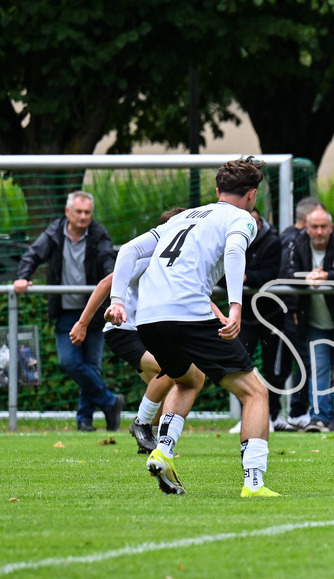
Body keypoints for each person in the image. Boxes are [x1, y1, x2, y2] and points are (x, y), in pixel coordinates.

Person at [107, 157, 280, 497]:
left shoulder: (182, 217)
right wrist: (235, 307)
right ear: (252, 195)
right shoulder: (242, 218)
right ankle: (254, 483)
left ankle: (163, 451)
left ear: (217, 191)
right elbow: (234, 251)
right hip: (187, 311)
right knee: (255, 392)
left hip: (149, 318)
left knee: (190, 378)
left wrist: (117, 300)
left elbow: (128, 250)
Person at [69, 208, 204, 454]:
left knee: (169, 384)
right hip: (124, 331)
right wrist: (83, 323)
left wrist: (223, 317)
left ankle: (147, 438)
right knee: (170, 370)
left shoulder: (176, 262)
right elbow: (104, 284)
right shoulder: (146, 258)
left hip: (148, 330)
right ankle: (141, 425)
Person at [14, 191, 123, 432]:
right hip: (64, 311)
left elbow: (109, 261)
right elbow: (33, 255)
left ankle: (85, 419)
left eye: (87, 213)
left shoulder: (98, 234)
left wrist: (111, 282)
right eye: (79, 212)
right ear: (68, 213)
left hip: (93, 310)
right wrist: (23, 277)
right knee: (69, 361)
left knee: (92, 365)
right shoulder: (54, 233)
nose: (84, 217)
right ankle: (110, 402)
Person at [281, 206, 334, 432]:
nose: (319, 232)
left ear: (331, 227)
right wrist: (305, 278)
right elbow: (286, 273)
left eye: (323, 227)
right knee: (318, 369)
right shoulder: (295, 243)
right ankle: (319, 419)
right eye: (314, 227)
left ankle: (332, 419)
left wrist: (327, 276)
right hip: (313, 321)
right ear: (306, 228)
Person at [238, 208, 289, 431]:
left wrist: (246, 276)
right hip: (243, 317)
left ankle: (274, 415)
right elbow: (220, 275)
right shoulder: (233, 240)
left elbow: (272, 275)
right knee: (241, 366)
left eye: (253, 223)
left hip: (270, 317)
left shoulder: (273, 243)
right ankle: (246, 416)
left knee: (273, 368)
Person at [277, 196, 324, 428]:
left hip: (293, 311)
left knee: (286, 364)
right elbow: (288, 274)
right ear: (308, 219)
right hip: (290, 312)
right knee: (300, 362)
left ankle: (277, 412)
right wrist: (294, 308)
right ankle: (295, 411)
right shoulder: (292, 241)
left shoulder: (291, 237)